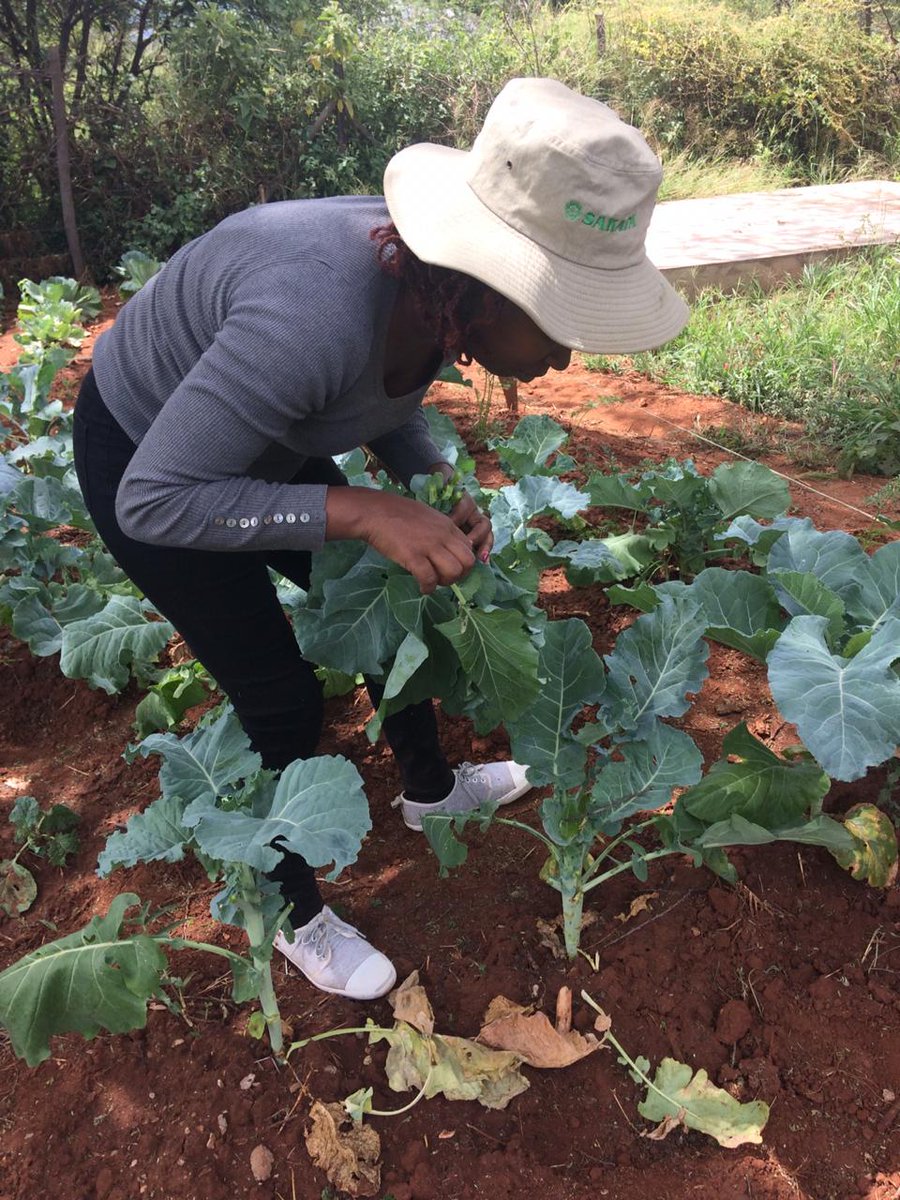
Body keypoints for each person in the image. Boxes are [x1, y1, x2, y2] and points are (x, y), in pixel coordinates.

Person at [73, 77, 688, 1002]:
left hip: (264, 441)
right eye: (559, 321)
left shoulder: (437, 292)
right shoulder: (313, 310)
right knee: (278, 696)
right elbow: (157, 499)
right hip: (151, 457)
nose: (565, 359)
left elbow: (380, 391)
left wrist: (428, 485)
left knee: (382, 607)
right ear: (485, 288)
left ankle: (430, 788)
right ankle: (291, 913)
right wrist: (362, 510)